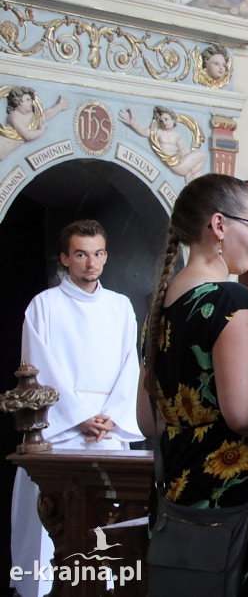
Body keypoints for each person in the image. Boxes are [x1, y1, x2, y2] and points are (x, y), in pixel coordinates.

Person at [136, 174, 248, 596]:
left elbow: (147, 421)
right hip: (245, 504)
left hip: (181, 503)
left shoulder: (162, 307)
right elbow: (244, 411)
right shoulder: (231, 301)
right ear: (218, 225)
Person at [11, 220, 143, 597]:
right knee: (51, 528)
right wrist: (79, 415)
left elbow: (129, 366)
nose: (91, 263)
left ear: (106, 256)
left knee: (108, 537)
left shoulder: (120, 307)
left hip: (108, 434)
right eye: (82, 254)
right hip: (60, 433)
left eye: (98, 253)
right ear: (66, 257)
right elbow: (36, 367)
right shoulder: (44, 305)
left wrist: (111, 418)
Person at [118, 106, 207, 181]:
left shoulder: (176, 135)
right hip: (174, 164)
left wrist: (190, 162)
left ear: (173, 120)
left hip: (180, 162)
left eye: (166, 119)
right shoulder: (160, 133)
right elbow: (145, 131)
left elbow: (184, 150)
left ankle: (191, 173)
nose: (164, 122)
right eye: (161, 121)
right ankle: (191, 173)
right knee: (202, 156)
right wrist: (133, 123)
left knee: (201, 163)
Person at [1, 86, 70, 161]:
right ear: (20, 102)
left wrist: (58, 107)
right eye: (28, 100)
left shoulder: (29, 115)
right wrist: (40, 131)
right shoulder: (14, 116)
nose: (31, 103)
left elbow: (44, 116)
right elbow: (27, 135)